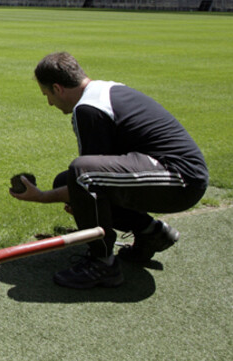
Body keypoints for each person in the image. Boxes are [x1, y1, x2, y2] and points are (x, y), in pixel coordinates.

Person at [11, 52, 208, 289]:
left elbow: (86, 178)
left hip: (180, 180)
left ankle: (102, 263)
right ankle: (151, 232)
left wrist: (42, 197)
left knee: (80, 175)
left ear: (58, 88)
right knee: (68, 180)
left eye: (48, 96)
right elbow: (88, 181)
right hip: (169, 173)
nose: (50, 103)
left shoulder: (88, 108)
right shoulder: (105, 90)